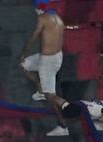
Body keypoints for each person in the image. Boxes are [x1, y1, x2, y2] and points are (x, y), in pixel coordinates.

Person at [19, 0, 66, 135]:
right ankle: (40, 88)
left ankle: (62, 125)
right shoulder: (58, 19)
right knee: (24, 65)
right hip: (55, 58)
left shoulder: (42, 19)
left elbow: (33, 37)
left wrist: (24, 53)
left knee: (50, 95)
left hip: (48, 61)